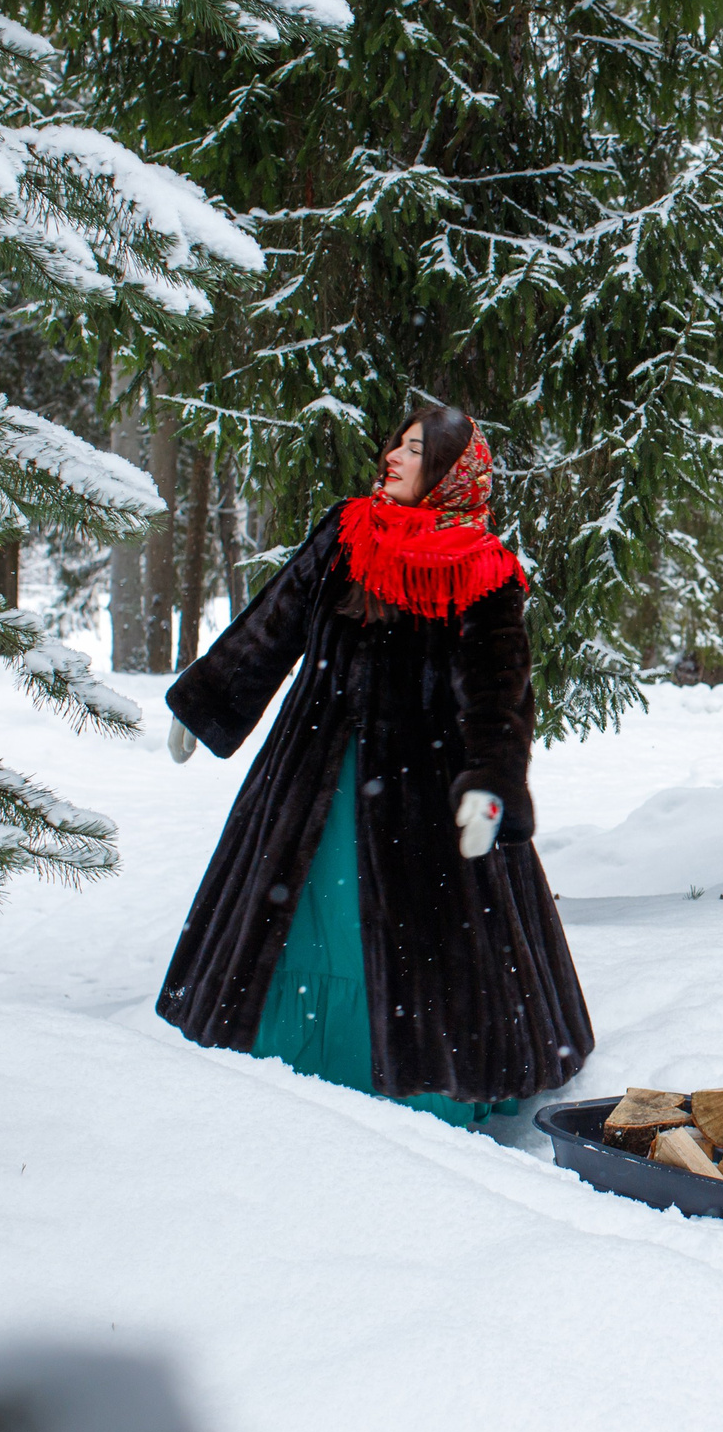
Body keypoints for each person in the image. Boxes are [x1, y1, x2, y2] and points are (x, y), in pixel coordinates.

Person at [153, 406, 592, 1125]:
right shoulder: (348, 529)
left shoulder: (482, 568)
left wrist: (490, 782)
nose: (394, 455)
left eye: (416, 449)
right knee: (293, 912)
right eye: (398, 441)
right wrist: (206, 700)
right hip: (311, 768)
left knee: (417, 936)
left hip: (425, 796)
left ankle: (421, 1080)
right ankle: (280, 1061)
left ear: (452, 474)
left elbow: (498, 690)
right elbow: (276, 619)